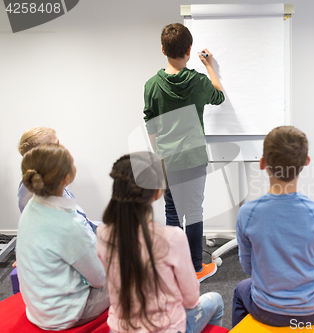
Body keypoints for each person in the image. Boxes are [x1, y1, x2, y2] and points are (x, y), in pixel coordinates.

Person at [96, 152, 223, 333]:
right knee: (216, 299)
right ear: (157, 193)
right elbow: (191, 299)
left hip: (119, 328)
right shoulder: (171, 238)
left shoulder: (103, 233)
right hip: (165, 329)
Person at [232, 126, 314, 327]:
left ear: (262, 163)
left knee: (240, 291)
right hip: (313, 310)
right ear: (306, 162)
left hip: (266, 310)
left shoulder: (248, 213)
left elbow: (248, 267)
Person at [143, 23, 224, 281]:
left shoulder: (152, 85)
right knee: (195, 210)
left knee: (172, 212)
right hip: (194, 158)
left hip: (168, 159)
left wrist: (159, 155)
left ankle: (176, 269)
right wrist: (210, 66)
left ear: (162, 49)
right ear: (189, 50)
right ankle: (196, 268)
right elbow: (219, 97)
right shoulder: (199, 82)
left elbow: (150, 122)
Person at [17, 144, 109, 330]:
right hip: (64, 314)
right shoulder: (68, 225)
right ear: (67, 177)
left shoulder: (32, 207)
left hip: (38, 307)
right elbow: (99, 279)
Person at [17, 127, 98, 242]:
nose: (63, 147)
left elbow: (82, 221)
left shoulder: (45, 181)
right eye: (57, 144)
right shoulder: (44, 190)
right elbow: (79, 235)